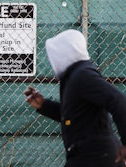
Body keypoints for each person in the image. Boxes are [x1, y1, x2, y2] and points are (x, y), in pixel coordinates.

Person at [24, 29, 126, 167]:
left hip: (96, 156)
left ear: (65, 53)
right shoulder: (74, 76)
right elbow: (76, 116)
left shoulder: (82, 75)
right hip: (90, 155)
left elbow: (118, 100)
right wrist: (44, 105)